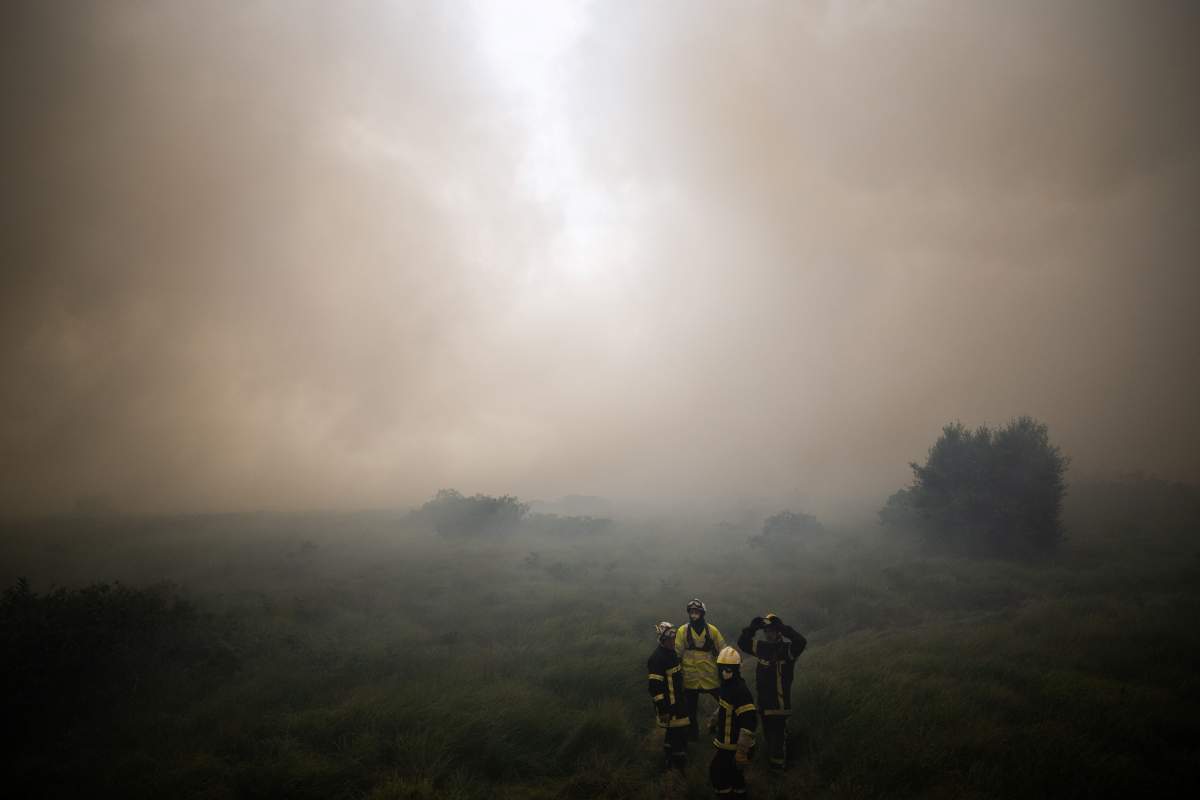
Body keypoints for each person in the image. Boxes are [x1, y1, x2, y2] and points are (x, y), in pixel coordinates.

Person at [737, 613, 807, 771]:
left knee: (777, 743)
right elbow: (742, 642)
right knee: (769, 739)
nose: (769, 634)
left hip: (780, 706)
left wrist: (783, 627)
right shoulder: (761, 647)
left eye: (773, 630)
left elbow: (801, 642)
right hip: (764, 705)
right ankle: (773, 768)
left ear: (779, 632)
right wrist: (752, 627)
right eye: (767, 631)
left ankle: (778, 774)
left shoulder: (788, 649)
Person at [675, 598, 727, 741]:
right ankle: (693, 738)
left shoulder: (712, 630)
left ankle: (715, 724)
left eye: (697, 611)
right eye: (691, 611)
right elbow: (677, 654)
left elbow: (724, 652)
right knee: (691, 711)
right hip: (690, 679)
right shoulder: (682, 631)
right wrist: (677, 677)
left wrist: (726, 672)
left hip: (711, 678)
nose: (694, 614)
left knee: (727, 703)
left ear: (703, 613)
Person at [709, 646, 757, 797]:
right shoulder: (726, 686)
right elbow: (724, 708)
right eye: (722, 668)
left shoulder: (740, 691)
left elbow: (749, 724)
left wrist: (741, 752)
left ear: (736, 670)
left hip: (734, 747)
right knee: (735, 778)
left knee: (718, 774)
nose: (724, 672)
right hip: (726, 745)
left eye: (728, 669)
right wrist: (714, 720)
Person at [647, 621, 690, 771]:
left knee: (674, 734)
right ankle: (678, 769)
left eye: (674, 638)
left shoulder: (672, 653)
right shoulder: (656, 659)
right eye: (670, 639)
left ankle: (669, 760)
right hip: (670, 708)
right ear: (662, 640)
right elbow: (654, 688)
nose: (673, 641)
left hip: (679, 704)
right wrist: (663, 709)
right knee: (678, 736)